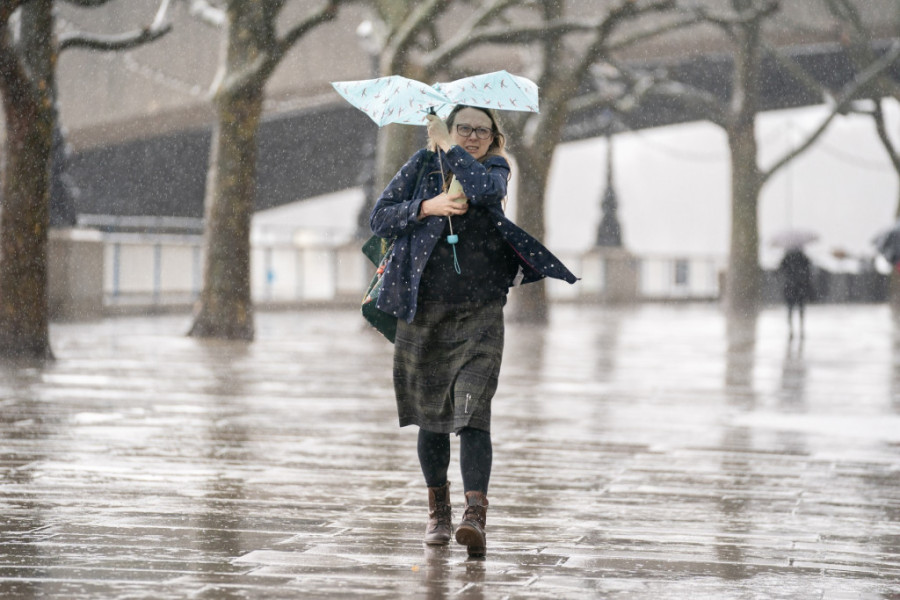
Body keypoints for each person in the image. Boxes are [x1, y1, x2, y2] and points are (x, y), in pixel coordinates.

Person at [369, 105, 577, 557]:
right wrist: (428, 206)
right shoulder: (422, 167)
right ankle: (438, 514)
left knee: (472, 414)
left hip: (480, 312)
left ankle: (474, 517)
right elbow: (379, 218)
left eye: (483, 131)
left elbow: (483, 191)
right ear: (447, 127)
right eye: (463, 128)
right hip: (422, 311)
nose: (473, 136)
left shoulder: (495, 168)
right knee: (431, 417)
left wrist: (451, 148)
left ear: (494, 137)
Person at [778, 247, 813, 338]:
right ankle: (801, 330)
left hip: (790, 286)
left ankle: (791, 331)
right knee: (801, 309)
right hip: (800, 286)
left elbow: (780, 269)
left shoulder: (787, 257)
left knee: (790, 309)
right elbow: (809, 269)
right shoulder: (803, 257)